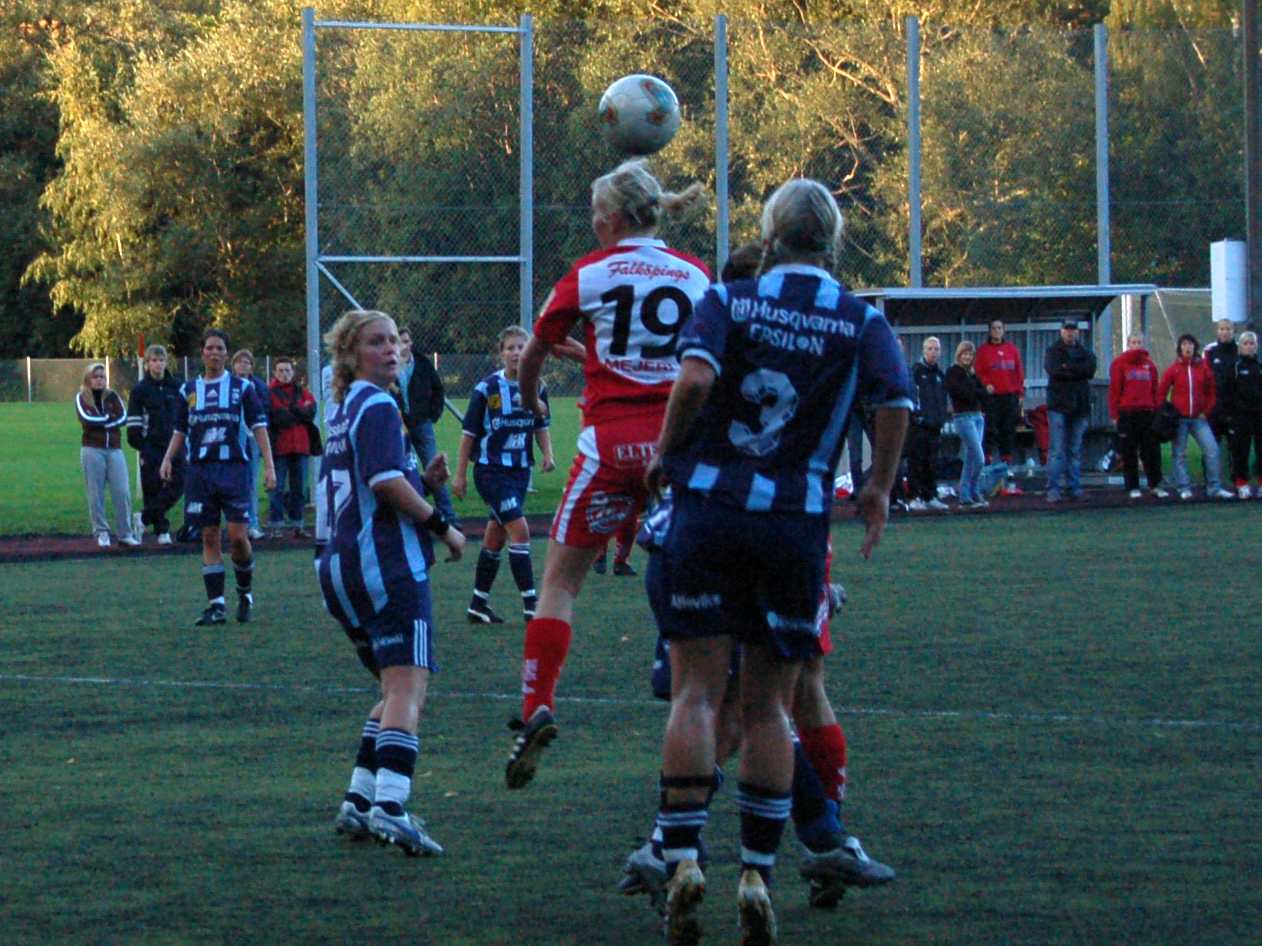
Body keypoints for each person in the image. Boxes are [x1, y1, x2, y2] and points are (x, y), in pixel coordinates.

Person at [645, 178, 912, 944]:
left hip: (709, 510)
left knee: (697, 694)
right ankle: (757, 872)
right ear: (833, 241)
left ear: (767, 237)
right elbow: (896, 402)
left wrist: (666, 451)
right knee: (769, 705)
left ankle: (682, 856)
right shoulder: (861, 319)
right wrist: (878, 487)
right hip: (794, 523)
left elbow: (695, 379)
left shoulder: (729, 300)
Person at [504, 158, 710, 790]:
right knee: (693, 572)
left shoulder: (589, 273)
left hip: (610, 446)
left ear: (613, 219)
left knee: (560, 582)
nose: (593, 223)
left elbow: (535, 350)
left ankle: (538, 702)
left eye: (596, 213)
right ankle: (699, 699)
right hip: (678, 446)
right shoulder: (695, 274)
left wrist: (531, 403)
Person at [617, 495, 894, 915]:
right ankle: (814, 842)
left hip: (687, 532)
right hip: (761, 528)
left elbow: (664, 463)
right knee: (759, 705)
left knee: (718, 702)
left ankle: (820, 838)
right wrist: (880, 487)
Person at [318, 309, 466, 858]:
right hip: (384, 563)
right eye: (376, 342)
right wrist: (442, 524)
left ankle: (360, 800)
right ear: (351, 355)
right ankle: (392, 806)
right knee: (407, 688)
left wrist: (420, 480)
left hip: (340, 565)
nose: (391, 350)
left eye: (394, 342)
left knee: (391, 688)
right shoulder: (378, 404)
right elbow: (382, 484)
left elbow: (370, 480)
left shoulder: (344, 408)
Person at [160, 330, 277, 626]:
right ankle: (216, 606)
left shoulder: (242, 388)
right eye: (210, 348)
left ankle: (245, 592)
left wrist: (269, 466)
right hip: (200, 472)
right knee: (209, 535)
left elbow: (259, 427)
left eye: (220, 348)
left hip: (234, 470)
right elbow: (180, 430)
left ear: (227, 354)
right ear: (202, 353)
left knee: (238, 538)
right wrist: (167, 458)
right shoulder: (188, 390)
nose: (214, 352)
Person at [451, 325, 556, 624]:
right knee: (520, 531)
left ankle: (477, 604)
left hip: (520, 473)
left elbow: (541, 424)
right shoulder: (486, 389)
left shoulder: (537, 387)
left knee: (495, 538)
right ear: (501, 354)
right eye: (510, 348)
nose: (516, 353)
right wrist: (460, 475)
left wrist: (548, 454)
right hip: (491, 472)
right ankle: (532, 606)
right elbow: (469, 435)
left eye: (522, 347)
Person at [397, 327, 460, 530]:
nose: (405, 345)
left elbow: (437, 389)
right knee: (407, 472)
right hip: (399, 427)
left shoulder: (422, 363)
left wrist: (433, 414)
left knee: (435, 468)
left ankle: (449, 517)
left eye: (407, 341)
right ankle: (416, 517)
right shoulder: (389, 366)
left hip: (422, 423)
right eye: (400, 341)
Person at [1159, 333, 1233, 501]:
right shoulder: (1174, 369)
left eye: (1190, 344)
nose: (1188, 347)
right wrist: (1167, 412)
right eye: (1184, 344)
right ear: (1180, 348)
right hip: (1180, 419)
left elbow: (1211, 392)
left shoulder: (1203, 368)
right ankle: (1183, 487)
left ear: (1195, 347)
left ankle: (1214, 487)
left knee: (1212, 450)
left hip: (1199, 418)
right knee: (1179, 453)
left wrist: (1206, 411)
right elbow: (1162, 391)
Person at [126, 345, 186, 543]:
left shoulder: (177, 386)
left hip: (175, 446)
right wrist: (144, 447)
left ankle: (143, 518)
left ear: (166, 363)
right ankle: (162, 530)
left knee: (179, 483)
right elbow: (133, 425)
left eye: (161, 360)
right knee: (153, 488)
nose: (158, 364)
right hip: (151, 447)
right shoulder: (139, 390)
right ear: (147, 364)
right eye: (154, 360)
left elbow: (184, 416)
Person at [76, 362, 140, 548]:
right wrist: (107, 419)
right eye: (95, 377)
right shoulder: (82, 398)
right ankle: (101, 532)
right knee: (96, 493)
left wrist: (106, 422)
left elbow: (123, 417)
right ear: (88, 379)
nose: (99, 380)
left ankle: (125, 533)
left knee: (122, 491)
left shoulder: (113, 396)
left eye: (102, 377)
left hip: (114, 449)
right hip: (92, 449)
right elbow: (86, 419)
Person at [1043, 319, 1097, 503]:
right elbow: (1054, 370)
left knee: (1074, 449)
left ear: (1078, 332)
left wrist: (1068, 367)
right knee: (1057, 450)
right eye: (1067, 329)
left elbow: (1090, 370)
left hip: (1080, 406)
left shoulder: (1085, 352)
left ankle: (1074, 487)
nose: (1070, 332)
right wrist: (1077, 370)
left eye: (1073, 329)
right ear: (1061, 331)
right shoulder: (1053, 351)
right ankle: (1053, 488)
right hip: (1058, 406)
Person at [1107, 334, 1166, 499]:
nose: (1136, 345)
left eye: (1139, 342)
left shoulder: (1149, 365)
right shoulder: (1119, 363)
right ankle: (1132, 486)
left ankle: (1155, 485)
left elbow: (1155, 390)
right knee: (1129, 451)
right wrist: (1114, 414)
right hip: (1127, 412)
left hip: (1147, 412)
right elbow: (1115, 390)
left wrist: (1157, 411)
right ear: (1128, 344)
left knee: (1151, 451)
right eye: (1133, 342)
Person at [266, 357, 317, 537]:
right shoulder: (270, 393)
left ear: (293, 372)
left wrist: (293, 411)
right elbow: (278, 417)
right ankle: (276, 525)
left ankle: (298, 525)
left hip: (301, 447)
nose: (284, 374)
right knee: (276, 488)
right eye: (280, 370)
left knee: (299, 489)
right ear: (274, 373)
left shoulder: (302, 391)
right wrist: (299, 411)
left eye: (287, 370)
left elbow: (311, 410)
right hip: (279, 447)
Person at [974, 318, 1025, 495]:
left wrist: (1020, 393)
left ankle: (1006, 471)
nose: (997, 331)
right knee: (989, 432)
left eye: (999, 328)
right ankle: (987, 470)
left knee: (1008, 432)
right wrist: (986, 385)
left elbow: (1019, 372)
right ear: (989, 331)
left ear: (1004, 330)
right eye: (994, 328)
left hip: (1010, 397)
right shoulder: (983, 351)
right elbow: (979, 373)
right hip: (992, 398)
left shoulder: (1012, 350)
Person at [907, 336, 950, 512]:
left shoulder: (940, 374)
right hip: (919, 426)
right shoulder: (916, 372)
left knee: (932, 463)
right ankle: (914, 497)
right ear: (923, 351)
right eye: (930, 349)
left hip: (935, 425)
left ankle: (930, 496)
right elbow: (911, 396)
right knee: (916, 461)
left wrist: (941, 418)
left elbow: (942, 399)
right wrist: (917, 417)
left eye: (936, 349)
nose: (933, 352)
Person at [945, 340, 988, 509]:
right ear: (959, 354)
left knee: (971, 456)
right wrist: (977, 392)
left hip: (977, 416)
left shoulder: (972, 373)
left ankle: (966, 493)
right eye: (965, 354)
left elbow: (982, 393)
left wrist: (977, 392)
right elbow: (962, 393)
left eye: (970, 354)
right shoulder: (953, 372)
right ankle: (974, 488)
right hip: (963, 417)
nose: (968, 357)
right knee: (979, 458)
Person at [231, 350, 269, 540]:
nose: (243, 365)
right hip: (233, 436)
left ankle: (252, 523)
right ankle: (235, 523)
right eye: (239, 362)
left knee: (251, 480)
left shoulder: (258, 386)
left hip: (252, 436)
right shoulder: (228, 384)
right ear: (233, 365)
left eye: (247, 362)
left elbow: (263, 411)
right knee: (233, 481)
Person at [1224, 330, 1262, 498]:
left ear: (1256, 346)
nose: (1249, 346)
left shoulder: (1260, 366)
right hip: (1241, 416)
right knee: (1241, 450)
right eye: (1245, 343)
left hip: (1259, 415)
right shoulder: (1235, 367)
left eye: (1252, 343)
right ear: (1240, 347)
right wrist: (1231, 414)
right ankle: (1242, 483)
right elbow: (1228, 392)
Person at [1203, 319, 1238, 486]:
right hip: (1214, 409)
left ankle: (1237, 484)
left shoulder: (1239, 349)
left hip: (1234, 409)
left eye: (1228, 329)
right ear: (1217, 331)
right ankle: (1210, 483)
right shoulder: (1210, 350)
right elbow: (1204, 378)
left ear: (1233, 331)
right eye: (1222, 329)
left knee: (1236, 449)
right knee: (1211, 448)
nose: (1225, 332)